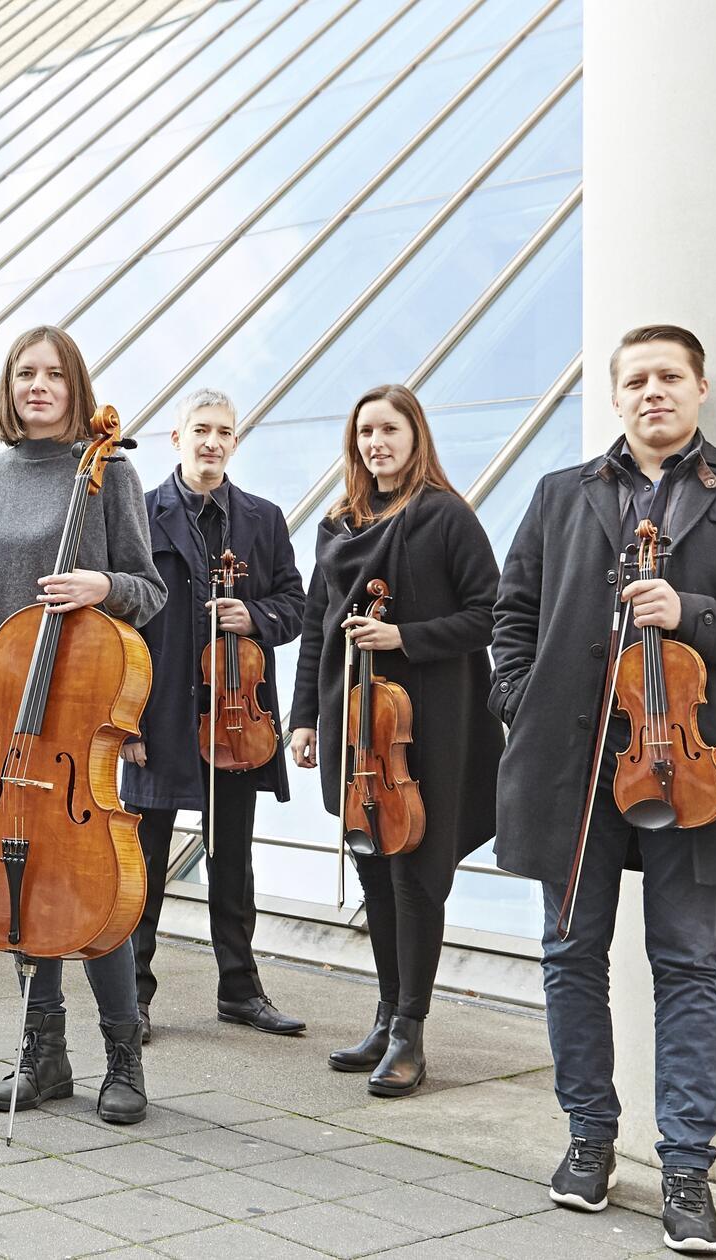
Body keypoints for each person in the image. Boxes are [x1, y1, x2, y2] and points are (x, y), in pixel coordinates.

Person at [491, 325, 716, 1254]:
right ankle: (590, 1141)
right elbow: (513, 614)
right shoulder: (562, 495)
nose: (653, 392)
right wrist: (523, 702)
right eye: (636, 380)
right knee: (569, 955)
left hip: (698, 764)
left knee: (688, 965)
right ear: (617, 396)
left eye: (670, 377)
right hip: (574, 763)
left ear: (701, 387)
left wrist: (693, 614)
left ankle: (685, 1170)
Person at [0, 325, 166, 1125]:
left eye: (53, 375)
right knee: (19, 880)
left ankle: (122, 1059)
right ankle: (45, 1055)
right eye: (24, 374)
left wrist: (102, 583)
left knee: (94, 883)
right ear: (10, 388)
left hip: (74, 710)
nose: (38, 386)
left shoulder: (109, 474)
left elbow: (149, 588)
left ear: (75, 385)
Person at [288, 384, 502, 1098]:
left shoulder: (446, 516)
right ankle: (384, 1016)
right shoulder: (339, 523)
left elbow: (489, 614)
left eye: (389, 429)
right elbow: (320, 627)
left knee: (416, 877)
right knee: (374, 868)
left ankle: (411, 1028)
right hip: (357, 726)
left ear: (415, 435)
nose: (376, 442)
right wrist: (304, 719)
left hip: (430, 727)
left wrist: (403, 636)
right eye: (366, 432)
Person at [122, 389, 306, 1046]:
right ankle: (132, 994)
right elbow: (118, 627)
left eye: (223, 432)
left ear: (235, 441)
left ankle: (240, 990)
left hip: (237, 720)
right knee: (142, 861)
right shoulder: (141, 515)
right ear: (177, 439)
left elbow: (295, 603)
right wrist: (125, 725)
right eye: (200, 430)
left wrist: (255, 616)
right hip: (161, 713)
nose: (212, 441)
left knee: (235, 860)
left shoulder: (263, 518)